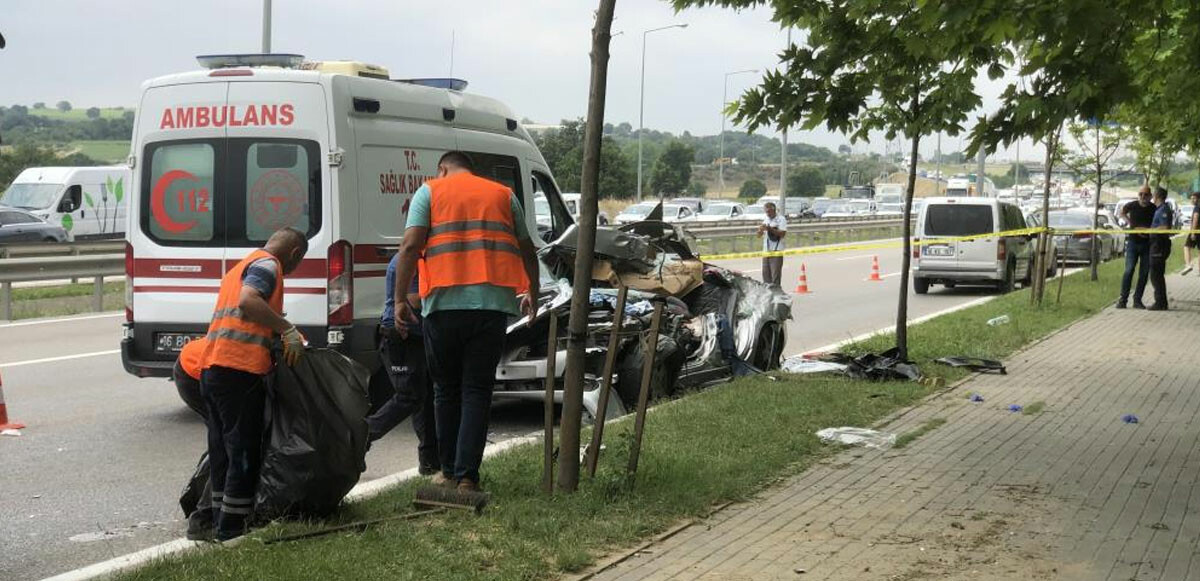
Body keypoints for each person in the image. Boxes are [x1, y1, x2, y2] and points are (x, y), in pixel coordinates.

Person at [392, 151, 539, 494]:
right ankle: (468, 477)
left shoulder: (429, 192)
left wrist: (399, 299)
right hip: (490, 309)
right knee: (477, 391)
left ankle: (447, 470)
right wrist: (530, 289)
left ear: (442, 168)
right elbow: (526, 248)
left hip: (442, 307)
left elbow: (411, 245)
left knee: (445, 390)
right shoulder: (503, 195)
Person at [198, 227, 307, 541]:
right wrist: (286, 328)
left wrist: (274, 329)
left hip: (213, 367)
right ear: (295, 253)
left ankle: (219, 522)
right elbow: (248, 302)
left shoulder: (242, 265)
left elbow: (244, 314)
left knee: (222, 451)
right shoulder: (268, 265)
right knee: (243, 450)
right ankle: (232, 530)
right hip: (238, 370)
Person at [364, 253, 439, 475]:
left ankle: (430, 462)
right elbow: (413, 298)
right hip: (401, 337)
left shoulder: (421, 256)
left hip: (417, 337)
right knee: (410, 396)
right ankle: (361, 434)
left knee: (426, 398)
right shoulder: (409, 258)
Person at [1116, 186, 1156, 309]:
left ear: (1150, 196)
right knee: (1129, 270)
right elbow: (1121, 213)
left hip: (1147, 244)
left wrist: (1147, 230)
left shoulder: (1153, 208)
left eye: (1145, 194)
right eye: (1141, 194)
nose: (1143, 197)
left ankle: (1137, 300)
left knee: (1144, 273)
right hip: (1133, 243)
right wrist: (1131, 223)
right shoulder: (1132, 205)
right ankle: (1123, 299)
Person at [1147, 186, 1175, 311]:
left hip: (1159, 244)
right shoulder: (1160, 209)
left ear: (1157, 196)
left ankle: (1160, 302)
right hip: (1156, 243)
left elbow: (1164, 227)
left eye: (1153, 195)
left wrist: (1150, 230)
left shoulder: (1163, 209)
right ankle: (1161, 302)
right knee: (1156, 274)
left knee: (1156, 275)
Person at [757, 202, 787, 287]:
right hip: (766, 251)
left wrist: (770, 229)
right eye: (766, 211)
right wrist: (760, 231)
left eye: (769, 211)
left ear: (774, 210)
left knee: (775, 276)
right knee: (766, 276)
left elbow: (782, 234)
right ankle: (768, 296)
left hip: (776, 251)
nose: (767, 213)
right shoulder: (766, 219)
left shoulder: (781, 219)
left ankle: (776, 296)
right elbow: (759, 236)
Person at [1182, 192, 1200, 275]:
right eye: (1191, 198)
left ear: (1198, 199)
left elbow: (1195, 218)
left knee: (1186, 247)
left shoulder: (1197, 207)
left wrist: (1192, 232)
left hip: (1195, 231)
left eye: (1194, 198)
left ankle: (1188, 265)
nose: (1192, 200)